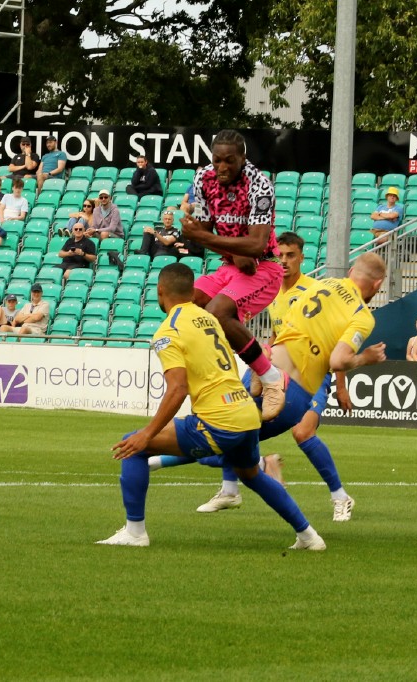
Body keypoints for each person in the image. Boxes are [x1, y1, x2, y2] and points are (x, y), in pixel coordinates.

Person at [96, 263, 327, 550]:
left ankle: (134, 533)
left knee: (134, 445)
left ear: (160, 291)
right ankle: (309, 537)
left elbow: (178, 387)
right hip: (246, 414)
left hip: (219, 420)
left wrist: (148, 432)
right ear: (192, 290)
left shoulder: (168, 331)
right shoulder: (211, 320)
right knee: (251, 475)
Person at [181, 249, 384, 523]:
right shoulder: (279, 292)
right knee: (226, 435)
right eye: (281, 256)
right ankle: (238, 483)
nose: (285, 261)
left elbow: (336, 355)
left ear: (301, 258)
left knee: (299, 432)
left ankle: (337, 497)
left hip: (305, 375)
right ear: (377, 284)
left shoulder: (318, 285)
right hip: (273, 369)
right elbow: (283, 333)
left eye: (290, 255)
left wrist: (341, 385)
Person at [179, 129, 287, 420]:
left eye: (230, 160)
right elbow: (202, 228)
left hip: (264, 268)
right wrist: (219, 244)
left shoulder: (260, 185)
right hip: (229, 266)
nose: (222, 167)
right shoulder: (203, 178)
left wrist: (209, 240)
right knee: (185, 307)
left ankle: (273, 378)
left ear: (243, 158)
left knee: (217, 312)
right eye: (217, 160)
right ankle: (218, 378)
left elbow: (256, 245)